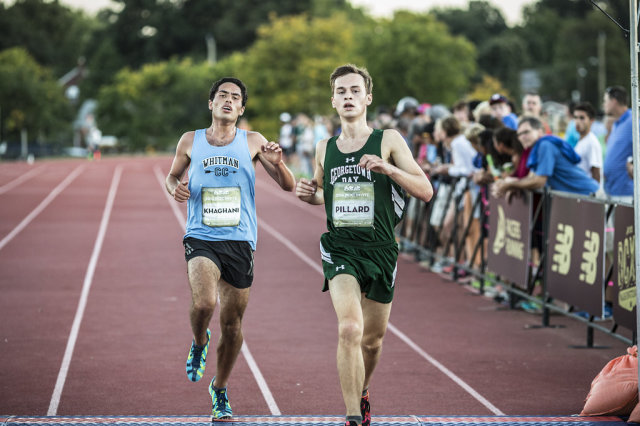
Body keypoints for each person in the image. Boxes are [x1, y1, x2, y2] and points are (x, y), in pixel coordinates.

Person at [296, 64, 433, 426]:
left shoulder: (388, 140)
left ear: (368, 98)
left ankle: (363, 388)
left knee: (372, 342)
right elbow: (324, 195)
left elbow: (426, 190)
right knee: (349, 329)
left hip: (381, 249)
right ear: (333, 100)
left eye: (355, 90)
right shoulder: (325, 147)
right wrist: (306, 192)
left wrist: (390, 170)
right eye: (341, 91)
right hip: (341, 249)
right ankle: (353, 417)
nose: (348, 97)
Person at [165, 77, 295, 420]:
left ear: (241, 109)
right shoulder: (190, 141)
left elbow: (288, 185)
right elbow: (171, 176)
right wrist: (174, 187)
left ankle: (219, 388)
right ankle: (199, 341)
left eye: (235, 97)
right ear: (211, 104)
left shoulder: (253, 141)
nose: (227, 100)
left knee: (233, 324)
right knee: (205, 302)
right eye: (222, 95)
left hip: (240, 240)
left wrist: (278, 161)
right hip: (201, 235)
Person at [492, 116, 599, 198]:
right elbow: (531, 178)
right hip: (581, 197)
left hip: (591, 195)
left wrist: (511, 186)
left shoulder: (545, 145)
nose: (522, 137)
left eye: (526, 132)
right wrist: (512, 185)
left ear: (540, 132)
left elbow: (539, 181)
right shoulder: (536, 149)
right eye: (519, 134)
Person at [602, 86, 634, 200]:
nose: (603, 104)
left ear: (613, 102)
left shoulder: (633, 121)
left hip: (625, 193)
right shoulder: (617, 123)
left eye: (605, 101)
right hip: (611, 190)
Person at [572, 102, 602, 183]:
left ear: (591, 121)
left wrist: (593, 195)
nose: (577, 121)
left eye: (582, 118)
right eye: (575, 117)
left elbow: (596, 174)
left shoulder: (591, 142)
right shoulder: (581, 140)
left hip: (586, 194)